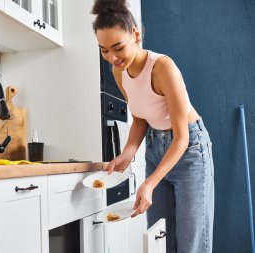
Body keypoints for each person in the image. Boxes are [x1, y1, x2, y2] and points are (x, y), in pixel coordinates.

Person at [91, 0, 215, 252]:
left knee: (191, 243)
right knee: (161, 237)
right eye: (103, 50)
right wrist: (128, 152)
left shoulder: (163, 68)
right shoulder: (119, 71)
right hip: (155, 147)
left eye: (118, 48)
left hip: (189, 149)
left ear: (135, 34)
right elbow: (140, 117)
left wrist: (149, 183)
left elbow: (181, 138)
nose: (112, 58)